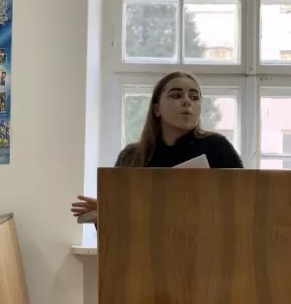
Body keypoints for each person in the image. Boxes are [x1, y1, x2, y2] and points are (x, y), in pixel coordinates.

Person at [71, 71, 244, 220]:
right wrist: (105, 212)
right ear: (157, 109)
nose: (187, 102)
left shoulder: (217, 147)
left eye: (194, 97)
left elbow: (243, 202)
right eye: (176, 95)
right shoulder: (132, 156)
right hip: (144, 247)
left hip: (206, 244)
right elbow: (117, 227)